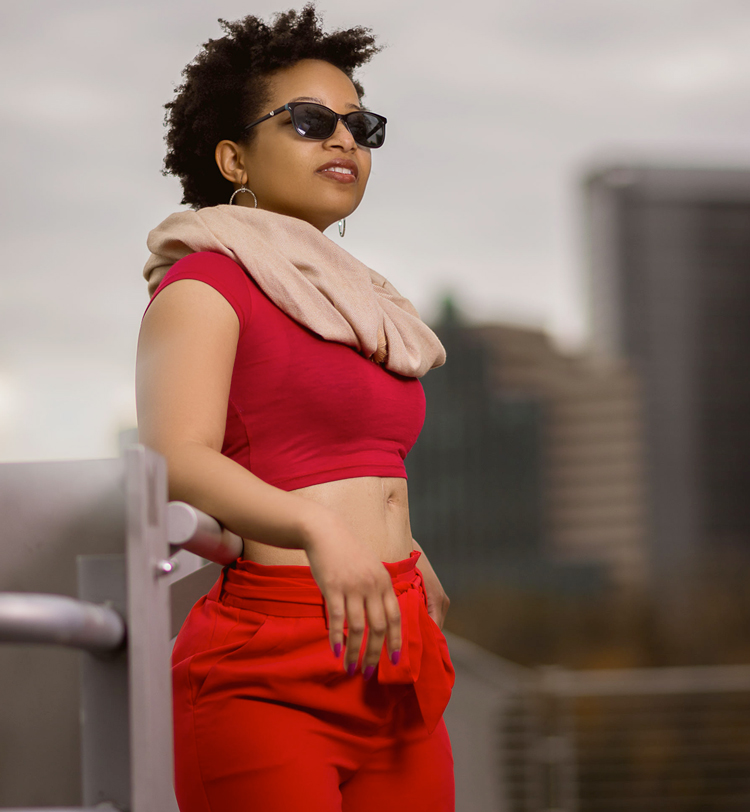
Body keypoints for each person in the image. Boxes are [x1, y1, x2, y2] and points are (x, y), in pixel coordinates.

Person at [135, 6, 455, 811]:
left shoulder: (360, 305)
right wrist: (320, 529)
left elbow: (351, 454)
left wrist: (409, 549)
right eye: (311, 121)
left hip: (395, 646)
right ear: (233, 154)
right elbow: (177, 457)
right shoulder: (204, 285)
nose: (344, 140)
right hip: (268, 667)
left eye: (361, 124)